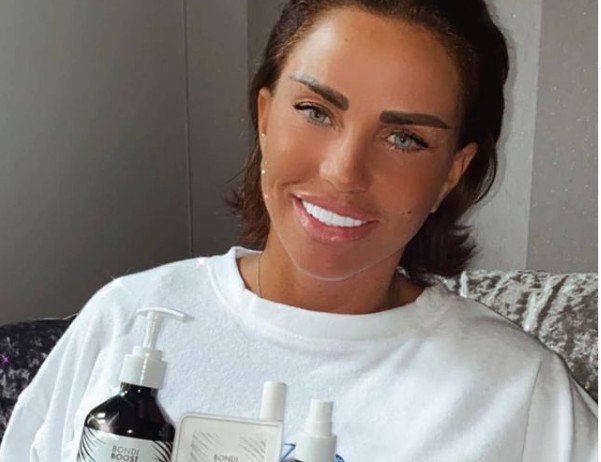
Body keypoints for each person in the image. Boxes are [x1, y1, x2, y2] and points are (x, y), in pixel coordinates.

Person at [1, 0, 597, 460]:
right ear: (265, 118)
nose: (343, 173)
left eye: (404, 138)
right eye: (316, 111)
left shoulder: (519, 394)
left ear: (452, 172)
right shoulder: (125, 317)